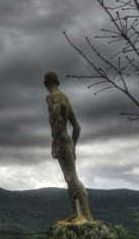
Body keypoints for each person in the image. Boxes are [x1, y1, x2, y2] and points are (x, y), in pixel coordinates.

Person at [44, 71, 93, 222]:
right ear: (57, 82)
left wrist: (55, 143)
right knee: (69, 177)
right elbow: (77, 128)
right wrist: (73, 146)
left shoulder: (53, 98)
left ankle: (86, 214)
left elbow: (58, 121)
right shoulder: (66, 98)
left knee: (71, 177)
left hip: (61, 140)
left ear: (46, 84)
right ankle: (77, 213)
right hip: (68, 142)